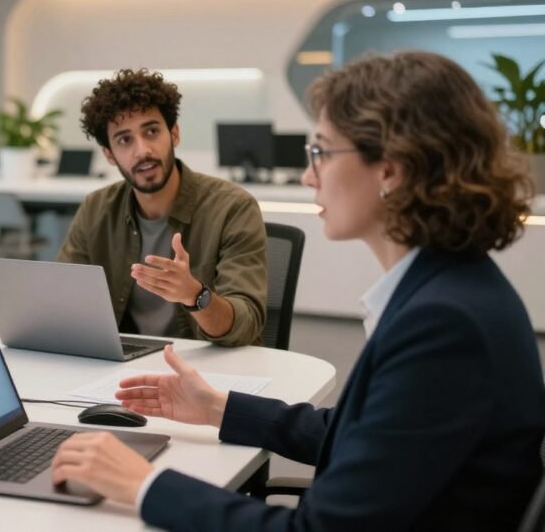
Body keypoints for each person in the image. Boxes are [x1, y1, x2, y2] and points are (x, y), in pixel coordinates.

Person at [50, 52, 545, 530]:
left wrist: (144, 484)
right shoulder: (449, 290)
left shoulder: (443, 325)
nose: (309, 176)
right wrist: (217, 408)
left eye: (321, 152)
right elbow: (356, 431)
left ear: (390, 169)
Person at [57, 69, 267, 345]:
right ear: (109, 154)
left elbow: (246, 324)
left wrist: (195, 296)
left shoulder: (233, 208)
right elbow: (62, 301)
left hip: (207, 370)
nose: (142, 150)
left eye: (152, 131)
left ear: (174, 133)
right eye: (124, 140)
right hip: (124, 371)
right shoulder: (96, 208)